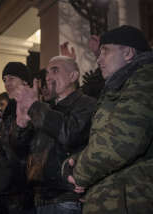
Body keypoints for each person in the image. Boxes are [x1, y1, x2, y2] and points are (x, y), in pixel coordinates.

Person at [62, 25, 153, 213]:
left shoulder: (145, 78)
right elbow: (102, 141)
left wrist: (79, 174)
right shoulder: (120, 85)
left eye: (105, 51)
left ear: (127, 53)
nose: (99, 59)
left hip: (133, 201)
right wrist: (73, 163)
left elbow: (122, 140)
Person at [13, 56, 97, 214]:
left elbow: (70, 134)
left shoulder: (87, 104)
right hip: (37, 198)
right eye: (47, 73)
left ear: (73, 76)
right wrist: (21, 125)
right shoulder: (44, 109)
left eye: (55, 70)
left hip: (66, 199)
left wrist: (34, 105)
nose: (48, 77)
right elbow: (20, 151)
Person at [0, 62, 35, 214]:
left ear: (25, 81)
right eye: (4, 79)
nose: (6, 83)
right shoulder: (6, 114)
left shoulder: (37, 107)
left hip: (30, 192)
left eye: (11, 78)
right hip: (8, 191)